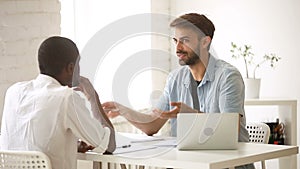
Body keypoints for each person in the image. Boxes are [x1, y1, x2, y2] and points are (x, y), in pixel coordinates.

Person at [103, 13, 254, 169]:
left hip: (228, 165)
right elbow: (152, 125)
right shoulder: (175, 78)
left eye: (185, 41)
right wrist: (122, 110)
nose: (177, 48)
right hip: (190, 163)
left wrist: (191, 114)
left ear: (205, 42)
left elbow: (229, 130)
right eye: (175, 41)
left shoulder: (228, 76)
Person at [0, 36, 116, 169]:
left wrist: (73, 145)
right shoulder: (66, 97)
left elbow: (28, 142)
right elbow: (109, 145)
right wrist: (93, 97)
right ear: (70, 68)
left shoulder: (14, 92)